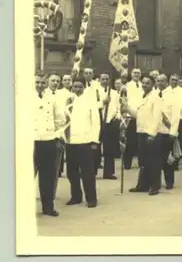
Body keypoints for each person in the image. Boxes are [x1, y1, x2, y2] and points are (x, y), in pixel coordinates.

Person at [65, 77, 100, 208]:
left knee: (87, 172)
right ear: (72, 87)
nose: (77, 89)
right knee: (71, 172)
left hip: (85, 142)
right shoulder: (69, 101)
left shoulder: (89, 101)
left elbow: (96, 122)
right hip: (70, 142)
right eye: (75, 86)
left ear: (84, 88)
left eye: (80, 86)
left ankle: (91, 198)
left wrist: (94, 141)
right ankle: (76, 196)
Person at [125, 75, 164, 195]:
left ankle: (155, 186)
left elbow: (157, 117)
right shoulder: (143, 97)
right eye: (143, 83)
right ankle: (143, 185)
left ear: (153, 85)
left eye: (147, 83)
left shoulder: (155, 98)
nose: (144, 85)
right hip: (141, 131)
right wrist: (127, 108)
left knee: (153, 161)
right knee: (143, 161)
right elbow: (138, 115)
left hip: (151, 133)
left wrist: (152, 134)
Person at [34, 72, 65, 217]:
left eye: (42, 82)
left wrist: (56, 137)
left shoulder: (53, 99)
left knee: (48, 176)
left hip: (48, 141)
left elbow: (60, 120)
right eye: (37, 82)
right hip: (32, 141)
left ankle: (48, 207)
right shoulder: (25, 98)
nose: (40, 85)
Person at [157, 80, 181, 190]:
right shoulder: (154, 94)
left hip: (168, 131)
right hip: (155, 131)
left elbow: (176, 116)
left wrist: (173, 133)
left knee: (168, 159)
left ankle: (169, 182)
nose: (159, 83)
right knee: (156, 159)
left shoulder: (173, 96)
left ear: (166, 82)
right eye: (157, 81)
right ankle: (156, 182)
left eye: (161, 81)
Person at [96, 73, 121, 179]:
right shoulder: (95, 92)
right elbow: (93, 106)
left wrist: (117, 116)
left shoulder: (114, 93)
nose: (105, 81)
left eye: (107, 79)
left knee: (109, 149)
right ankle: (93, 171)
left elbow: (118, 107)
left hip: (110, 122)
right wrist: (103, 102)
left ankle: (109, 172)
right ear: (99, 80)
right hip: (97, 121)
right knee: (95, 147)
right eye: (103, 79)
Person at [123, 68, 142, 169]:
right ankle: (127, 164)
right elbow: (124, 101)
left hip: (141, 116)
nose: (137, 74)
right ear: (131, 74)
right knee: (130, 141)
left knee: (141, 142)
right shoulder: (127, 86)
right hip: (131, 116)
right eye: (135, 73)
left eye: (138, 73)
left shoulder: (143, 85)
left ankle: (141, 162)